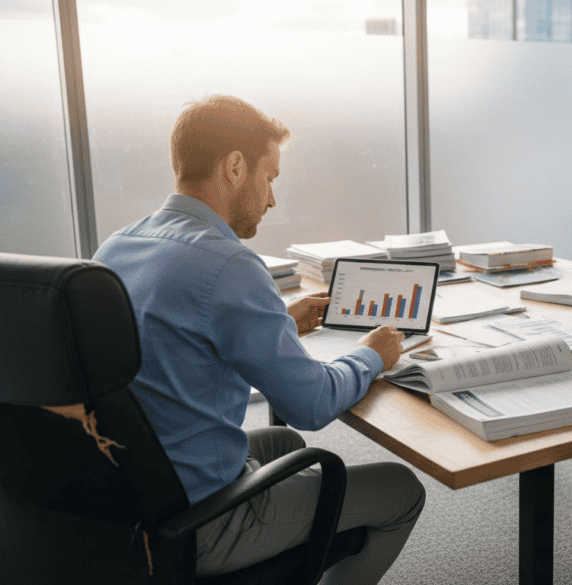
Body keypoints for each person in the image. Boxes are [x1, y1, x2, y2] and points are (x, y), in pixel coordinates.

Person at [93, 95, 425, 583]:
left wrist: (276, 320)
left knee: (283, 444)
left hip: (128, 489)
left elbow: (173, 334)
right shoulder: (229, 265)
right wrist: (370, 356)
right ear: (233, 167)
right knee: (400, 490)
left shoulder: (118, 245)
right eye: (269, 178)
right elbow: (311, 405)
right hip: (197, 519)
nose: (270, 198)